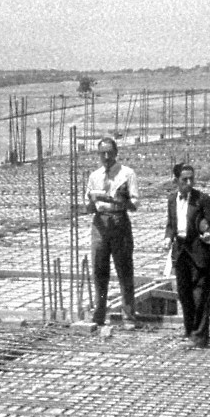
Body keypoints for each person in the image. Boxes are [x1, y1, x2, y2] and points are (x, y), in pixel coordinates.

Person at [165, 162, 210, 348]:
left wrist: (209, 235)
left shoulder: (202, 199)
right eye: (184, 179)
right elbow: (171, 225)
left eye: (191, 179)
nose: (189, 183)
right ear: (176, 180)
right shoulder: (172, 199)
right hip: (180, 252)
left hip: (198, 251)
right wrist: (168, 237)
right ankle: (190, 333)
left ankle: (200, 337)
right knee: (184, 294)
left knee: (200, 296)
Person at [85, 136, 140, 327]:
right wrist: (92, 202)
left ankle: (128, 316)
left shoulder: (127, 174)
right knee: (99, 270)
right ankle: (100, 312)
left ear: (116, 153)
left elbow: (134, 204)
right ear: (98, 154)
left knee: (124, 269)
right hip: (100, 224)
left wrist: (118, 200)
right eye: (102, 153)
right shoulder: (94, 176)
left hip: (119, 221)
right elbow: (88, 208)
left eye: (109, 153)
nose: (106, 156)